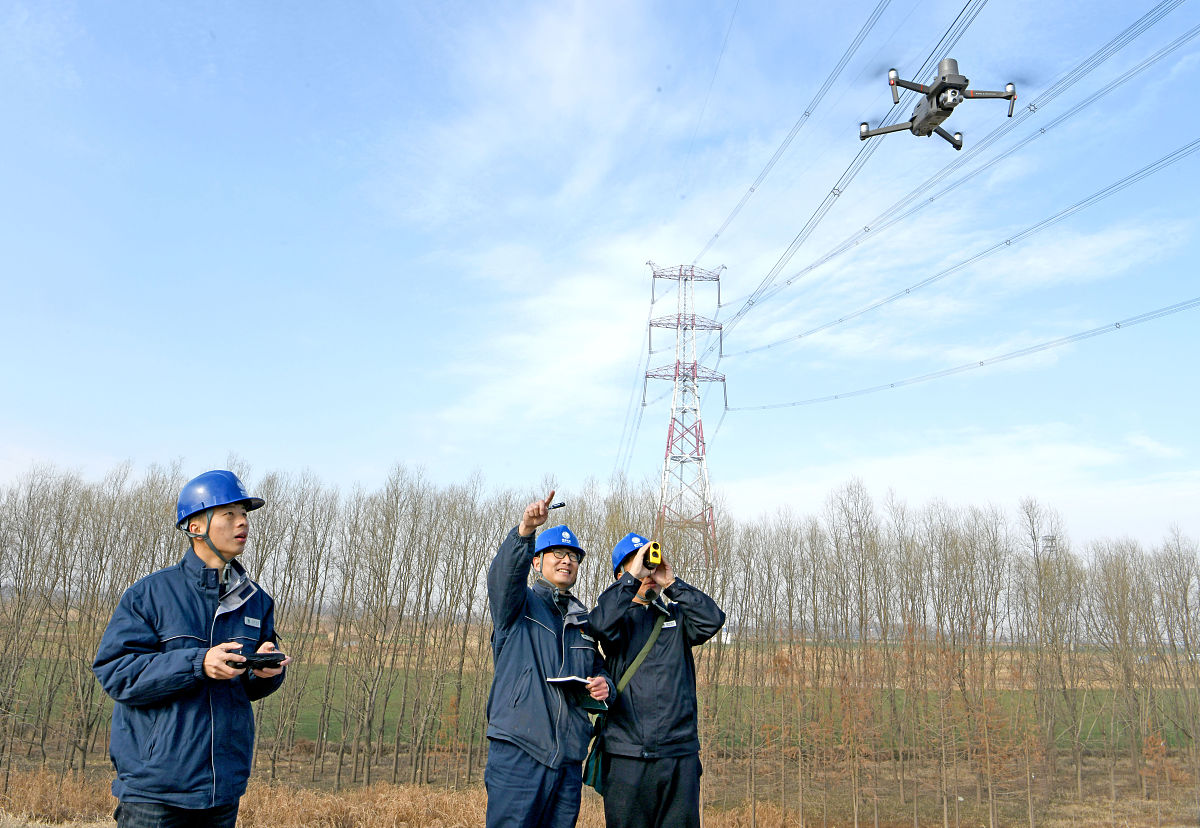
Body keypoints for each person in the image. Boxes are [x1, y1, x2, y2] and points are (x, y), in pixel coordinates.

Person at [92, 470, 290, 828]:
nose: (242, 521)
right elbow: (116, 674)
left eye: (243, 514)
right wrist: (198, 663)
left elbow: (244, 687)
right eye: (228, 514)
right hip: (155, 794)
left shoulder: (257, 601)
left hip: (222, 790)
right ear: (195, 528)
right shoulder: (150, 595)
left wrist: (266, 675)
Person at [484, 490, 613, 828]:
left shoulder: (584, 621)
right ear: (537, 562)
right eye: (557, 552)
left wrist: (605, 685)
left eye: (573, 556)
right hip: (519, 753)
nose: (566, 560)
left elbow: (599, 671)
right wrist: (526, 530)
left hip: (568, 762)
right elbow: (503, 577)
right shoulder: (517, 606)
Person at [589, 532, 726, 828]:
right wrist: (632, 578)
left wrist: (672, 583)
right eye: (636, 564)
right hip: (627, 756)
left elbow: (712, 620)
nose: (647, 572)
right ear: (621, 574)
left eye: (648, 564)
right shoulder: (615, 620)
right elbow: (597, 624)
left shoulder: (675, 617)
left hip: (679, 756)